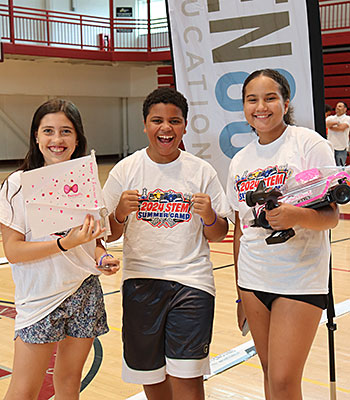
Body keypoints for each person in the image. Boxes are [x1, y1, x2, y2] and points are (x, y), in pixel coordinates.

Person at [103, 87, 232, 400]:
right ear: (145, 125)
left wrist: (210, 217)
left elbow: (220, 232)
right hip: (140, 282)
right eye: (157, 120)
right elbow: (108, 234)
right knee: (151, 375)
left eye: (174, 121)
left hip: (192, 282)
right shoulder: (125, 170)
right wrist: (119, 212)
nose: (166, 128)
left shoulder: (201, 171)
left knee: (187, 377)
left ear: (185, 126)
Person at [226, 69, 339, 400]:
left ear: (286, 103)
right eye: (252, 100)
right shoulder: (240, 160)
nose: (261, 106)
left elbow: (331, 217)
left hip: (300, 277)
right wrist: (238, 294)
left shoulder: (308, 143)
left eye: (270, 98)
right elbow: (240, 230)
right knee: (269, 376)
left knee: (285, 380)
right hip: (253, 278)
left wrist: (296, 216)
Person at [0, 99, 119, 400]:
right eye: (48, 131)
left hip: (84, 291)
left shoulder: (88, 180)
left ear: (77, 137)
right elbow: (14, 251)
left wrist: (101, 256)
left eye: (66, 131)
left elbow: (95, 240)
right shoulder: (17, 185)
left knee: (68, 383)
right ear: (36, 136)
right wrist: (65, 243)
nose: (57, 140)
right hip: (40, 297)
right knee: (24, 391)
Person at [326, 101, 350, 165]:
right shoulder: (330, 117)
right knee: (331, 167)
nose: (337, 108)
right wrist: (337, 123)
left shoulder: (347, 118)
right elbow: (326, 124)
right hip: (331, 147)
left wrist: (331, 127)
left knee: (340, 168)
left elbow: (341, 128)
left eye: (340, 106)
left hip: (341, 147)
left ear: (345, 109)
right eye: (336, 106)